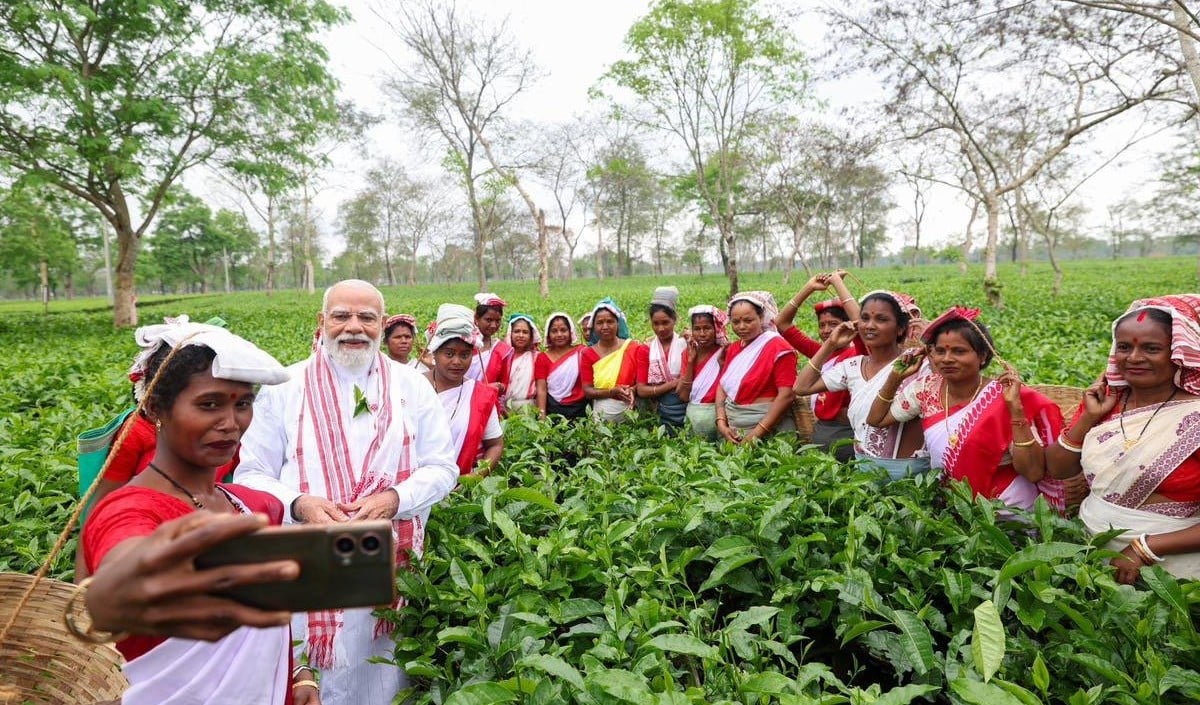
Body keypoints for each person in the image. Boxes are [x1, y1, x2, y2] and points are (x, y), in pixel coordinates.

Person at [234, 279, 458, 705]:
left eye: (366, 317)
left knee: (381, 676)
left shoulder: (412, 387)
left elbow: (442, 468)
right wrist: (299, 505)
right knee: (310, 678)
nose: (353, 327)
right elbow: (251, 473)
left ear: (381, 324)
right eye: (341, 316)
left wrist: (395, 499)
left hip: (386, 563)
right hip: (306, 561)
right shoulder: (286, 386)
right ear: (322, 322)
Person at [78, 319, 316, 704]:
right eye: (209, 405)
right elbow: (119, 566)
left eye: (243, 404)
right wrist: (116, 590)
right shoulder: (130, 508)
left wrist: (301, 674)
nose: (230, 423)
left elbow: (275, 614)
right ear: (156, 407)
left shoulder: (255, 505)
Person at [1047, 295, 1200, 581]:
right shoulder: (1106, 400)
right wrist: (1088, 418)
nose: (1134, 358)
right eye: (1125, 347)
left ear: (1178, 353)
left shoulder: (1196, 413)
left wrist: (1145, 548)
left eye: (1152, 348)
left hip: (1172, 569)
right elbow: (1058, 469)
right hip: (1090, 553)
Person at [866, 307, 1062, 511]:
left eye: (959, 351)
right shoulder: (925, 389)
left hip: (1008, 507)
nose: (947, 359)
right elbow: (876, 420)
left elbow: (1033, 472)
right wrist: (896, 377)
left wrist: (1015, 409)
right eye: (940, 351)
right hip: (954, 505)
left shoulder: (1003, 397)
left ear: (983, 356)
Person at [795, 290, 928, 479]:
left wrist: (931, 342)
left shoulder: (915, 362)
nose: (870, 326)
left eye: (881, 319)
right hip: (864, 469)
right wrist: (830, 345)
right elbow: (801, 387)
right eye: (864, 318)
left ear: (900, 328)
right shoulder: (852, 366)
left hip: (910, 472)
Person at [776, 272, 863, 461]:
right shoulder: (821, 353)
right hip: (822, 432)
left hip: (846, 434)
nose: (826, 331)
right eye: (822, 325)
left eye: (833, 324)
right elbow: (782, 324)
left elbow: (862, 326)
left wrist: (838, 284)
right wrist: (809, 288)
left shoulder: (858, 354)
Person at [426, 304, 505, 475]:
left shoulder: (479, 395)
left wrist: (475, 476)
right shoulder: (413, 386)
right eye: (449, 354)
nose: (457, 361)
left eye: (465, 355)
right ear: (435, 353)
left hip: (460, 490)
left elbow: (495, 444)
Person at [715, 291, 798, 442]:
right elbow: (723, 385)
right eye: (735, 322)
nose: (741, 327)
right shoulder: (733, 348)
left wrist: (755, 434)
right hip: (734, 428)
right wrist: (721, 422)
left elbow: (786, 395)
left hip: (770, 428)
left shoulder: (779, 347)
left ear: (761, 318)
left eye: (748, 320)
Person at [580, 297, 641, 423]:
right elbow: (587, 390)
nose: (605, 326)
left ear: (618, 324)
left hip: (633, 415)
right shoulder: (588, 353)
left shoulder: (633, 347)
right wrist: (611, 392)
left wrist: (632, 390)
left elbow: (641, 383)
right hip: (601, 418)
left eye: (610, 321)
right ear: (593, 326)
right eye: (600, 322)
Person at [636, 286, 688, 429]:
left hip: (687, 408)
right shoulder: (645, 350)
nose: (661, 329)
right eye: (656, 323)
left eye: (665, 322)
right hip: (659, 411)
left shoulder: (686, 345)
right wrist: (671, 384)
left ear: (675, 319)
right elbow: (641, 390)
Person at [677, 305, 727, 440]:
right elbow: (683, 396)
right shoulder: (687, 354)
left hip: (719, 416)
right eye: (697, 329)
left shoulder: (725, 352)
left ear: (716, 329)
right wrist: (691, 361)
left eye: (707, 328)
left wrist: (722, 364)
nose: (702, 333)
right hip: (693, 417)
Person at [542, 312, 589, 419]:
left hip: (580, 409)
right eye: (554, 331)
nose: (559, 334)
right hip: (553, 409)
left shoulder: (581, 352)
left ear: (570, 332)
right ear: (548, 334)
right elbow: (541, 389)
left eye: (563, 330)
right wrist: (542, 417)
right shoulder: (542, 357)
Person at [501, 313, 548, 416]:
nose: (521, 335)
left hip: (528, 409)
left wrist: (541, 416)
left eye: (525, 332)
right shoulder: (502, 356)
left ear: (531, 335)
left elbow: (541, 389)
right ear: (510, 333)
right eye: (517, 331)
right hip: (503, 409)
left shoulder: (537, 357)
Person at [467, 293, 510, 399]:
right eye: (489, 320)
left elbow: (504, 384)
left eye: (498, 321)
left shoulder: (502, 350)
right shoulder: (465, 345)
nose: (494, 325)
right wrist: (484, 387)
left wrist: (499, 387)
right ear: (476, 318)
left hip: (488, 404)